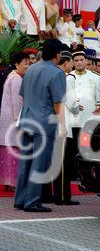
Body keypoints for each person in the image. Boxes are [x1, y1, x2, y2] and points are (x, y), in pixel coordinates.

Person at [14, 39, 67, 212]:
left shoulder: (31, 69)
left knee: (25, 162)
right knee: (39, 162)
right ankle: (32, 201)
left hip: (27, 119)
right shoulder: (57, 73)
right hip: (44, 122)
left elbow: (23, 94)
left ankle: (20, 199)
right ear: (57, 54)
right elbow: (58, 103)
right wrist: (62, 125)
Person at [51, 50, 81, 205]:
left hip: (55, 121)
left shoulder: (55, 76)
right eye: (71, 62)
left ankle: (60, 194)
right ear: (67, 62)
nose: (73, 65)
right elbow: (70, 101)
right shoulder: (67, 78)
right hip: (65, 122)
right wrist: (77, 106)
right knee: (65, 162)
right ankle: (63, 196)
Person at [68, 51, 100, 175]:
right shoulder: (68, 76)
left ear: (86, 62)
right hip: (72, 120)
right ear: (72, 63)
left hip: (88, 119)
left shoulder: (96, 78)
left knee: (86, 147)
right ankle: (73, 172)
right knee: (72, 147)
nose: (79, 62)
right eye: (76, 60)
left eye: (81, 60)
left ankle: (86, 173)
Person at [0, 52, 29, 191]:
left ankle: (7, 181)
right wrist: (19, 120)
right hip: (12, 118)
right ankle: (12, 182)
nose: (27, 66)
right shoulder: (17, 79)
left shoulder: (11, 76)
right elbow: (17, 102)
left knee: (7, 150)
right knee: (13, 150)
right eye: (25, 63)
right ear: (17, 64)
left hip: (7, 118)